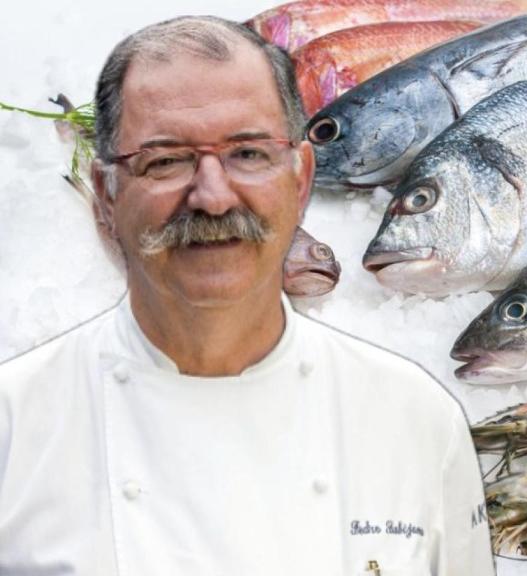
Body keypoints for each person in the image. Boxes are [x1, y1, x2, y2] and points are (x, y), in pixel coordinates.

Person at [0, 16, 495, 576]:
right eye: (165, 160)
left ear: (302, 177)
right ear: (106, 196)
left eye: (249, 154)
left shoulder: (419, 423)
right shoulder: (13, 428)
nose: (212, 196)